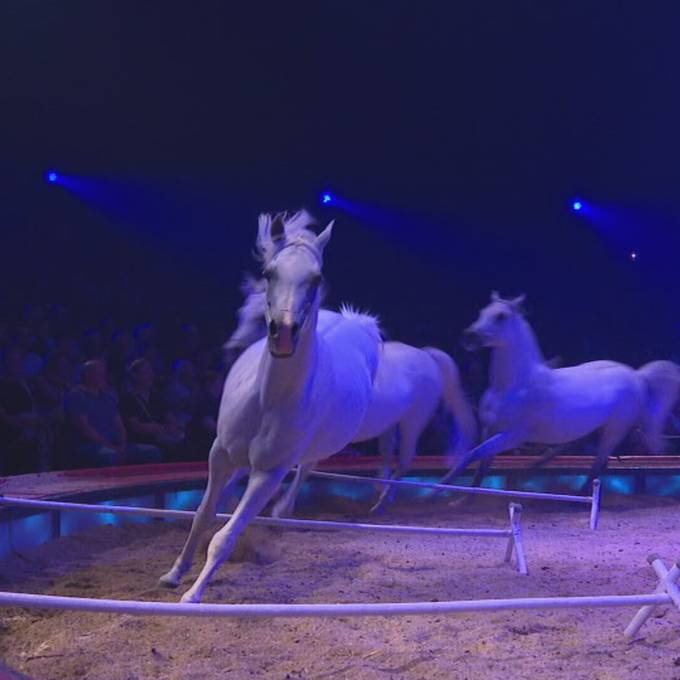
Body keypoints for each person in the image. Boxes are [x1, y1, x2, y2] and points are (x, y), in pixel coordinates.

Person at [65, 360, 161, 468]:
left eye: (104, 373)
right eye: (100, 373)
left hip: (113, 444)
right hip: (87, 445)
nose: (105, 376)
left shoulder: (109, 397)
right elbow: (84, 428)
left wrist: (123, 446)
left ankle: (147, 484)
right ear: (88, 376)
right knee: (109, 455)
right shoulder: (77, 395)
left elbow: (119, 425)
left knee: (151, 452)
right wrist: (110, 446)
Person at [0, 347, 49, 474]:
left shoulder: (24, 384)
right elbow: (3, 418)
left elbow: (33, 409)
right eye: (11, 360)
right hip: (10, 429)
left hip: (29, 426)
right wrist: (24, 424)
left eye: (18, 361)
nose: (16, 364)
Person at [120, 358, 184, 454]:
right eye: (146, 372)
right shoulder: (128, 398)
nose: (150, 375)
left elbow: (168, 415)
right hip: (140, 439)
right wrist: (162, 429)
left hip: (160, 435)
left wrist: (173, 426)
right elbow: (135, 427)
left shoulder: (156, 396)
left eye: (150, 371)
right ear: (135, 375)